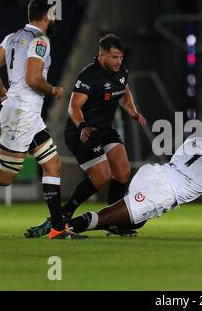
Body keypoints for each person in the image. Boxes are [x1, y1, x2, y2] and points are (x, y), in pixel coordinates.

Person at [0, 0, 85, 240]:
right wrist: (54, 90)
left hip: (25, 114)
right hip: (22, 115)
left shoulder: (12, 37)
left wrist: (3, 95)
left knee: (53, 165)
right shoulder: (40, 41)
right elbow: (33, 78)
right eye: (53, 15)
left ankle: (58, 229)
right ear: (47, 16)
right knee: (4, 177)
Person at [26, 133, 202, 236]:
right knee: (108, 216)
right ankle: (65, 226)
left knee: (137, 222)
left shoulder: (196, 140)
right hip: (164, 191)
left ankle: (104, 225)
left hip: (152, 173)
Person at [24, 33, 146, 238]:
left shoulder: (121, 70)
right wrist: (82, 126)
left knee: (123, 172)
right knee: (102, 175)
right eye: (115, 57)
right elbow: (74, 107)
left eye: (121, 57)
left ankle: (113, 222)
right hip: (82, 132)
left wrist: (132, 110)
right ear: (102, 56)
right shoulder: (90, 76)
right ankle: (65, 214)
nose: (119, 61)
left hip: (105, 130)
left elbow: (124, 90)